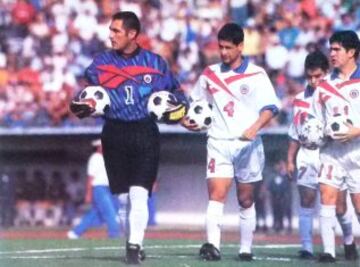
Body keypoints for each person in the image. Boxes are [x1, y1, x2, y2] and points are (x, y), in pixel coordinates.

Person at [70, 11, 187, 264]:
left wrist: (179, 109)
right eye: (110, 30)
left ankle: (134, 247)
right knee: (123, 199)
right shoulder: (99, 64)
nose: (110, 35)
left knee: (139, 194)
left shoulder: (156, 63)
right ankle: (133, 242)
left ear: (132, 34)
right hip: (113, 133)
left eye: (116, 31)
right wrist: (83, 104)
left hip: (145, 132)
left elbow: (177, 93)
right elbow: (87, 95)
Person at [182, 22, 280, 261]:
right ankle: (212, 246)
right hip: (218, 142)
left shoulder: (257, 74)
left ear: (240, 46)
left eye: (228, 47)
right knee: (216, 194)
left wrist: (254, 128)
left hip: (248, 145)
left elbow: (271, 108)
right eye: (220, 47)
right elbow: (194, 106)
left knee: (245, 198)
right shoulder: (209, 74)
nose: (223, 52)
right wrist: (187, 121)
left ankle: (245, 249)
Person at [287, 50, 357, 260]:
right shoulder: (299, 99)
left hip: (335, 152)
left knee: (340, 205)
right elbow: (294, 131)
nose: (314, 80)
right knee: (307, 199)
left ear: (326, 73)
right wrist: (290, 158)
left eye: (318, 76)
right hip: (308, 154)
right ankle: (307, 247)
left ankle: (348, 240)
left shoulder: (334, 92)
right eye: (310, 77)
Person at [310, 30, 360, 262]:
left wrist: (356, 130)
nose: (331, 53)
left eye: (337, 49)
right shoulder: (323, 86)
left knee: (358, 208)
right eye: (330, 49)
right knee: (327, 197)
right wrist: (312, 133)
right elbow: (315, 119)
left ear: (352, 53)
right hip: (331, 153)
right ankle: (329, 252)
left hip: (357, 153)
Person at [67, 139, 120, 239]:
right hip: (99, 188)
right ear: (99, 147)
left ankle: (75, 233)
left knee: (95, 214)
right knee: (110, 212)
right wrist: (88, 193)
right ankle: (114, 235)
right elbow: (90, 178)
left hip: (108, 188)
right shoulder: (95, 158)